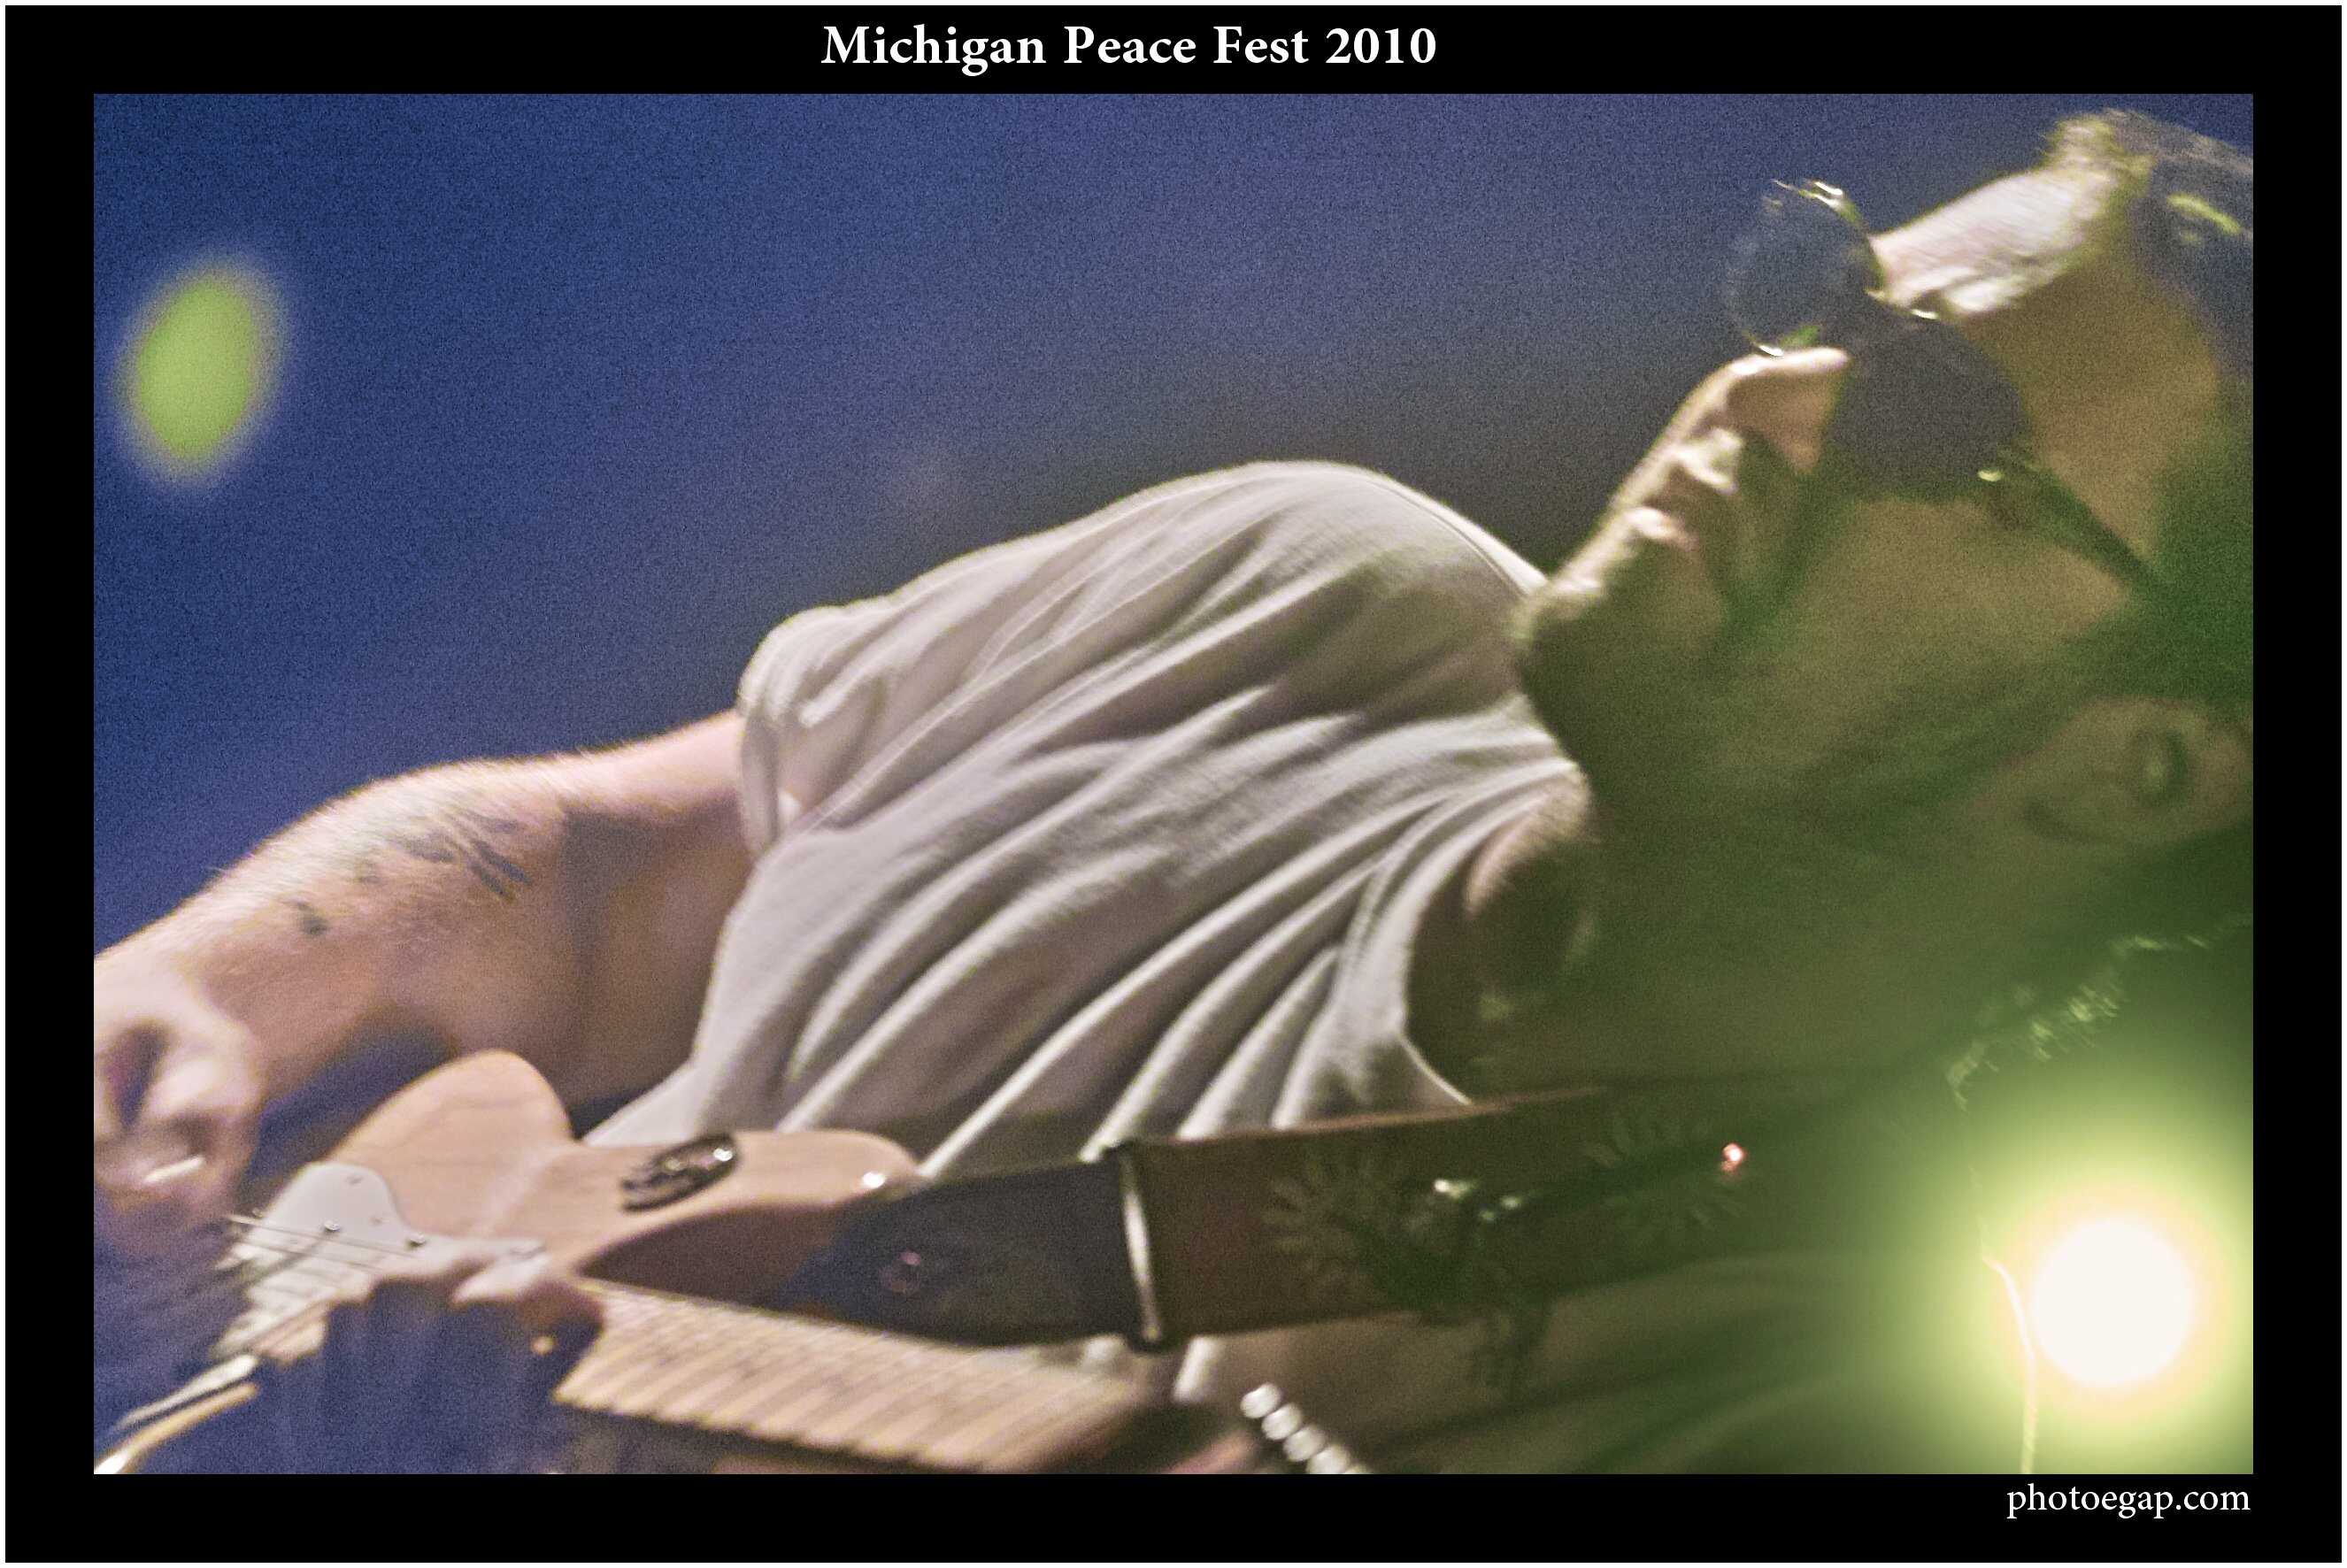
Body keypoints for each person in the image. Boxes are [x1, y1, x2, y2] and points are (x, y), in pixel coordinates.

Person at [92, 110, 2251, 1472]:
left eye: (1934, 418)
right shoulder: (1316, 582)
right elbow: (593, 880)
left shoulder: (1825, 1422)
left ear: (2150, 764)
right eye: (1826, 298)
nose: (1773, 395)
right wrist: (200, 989)